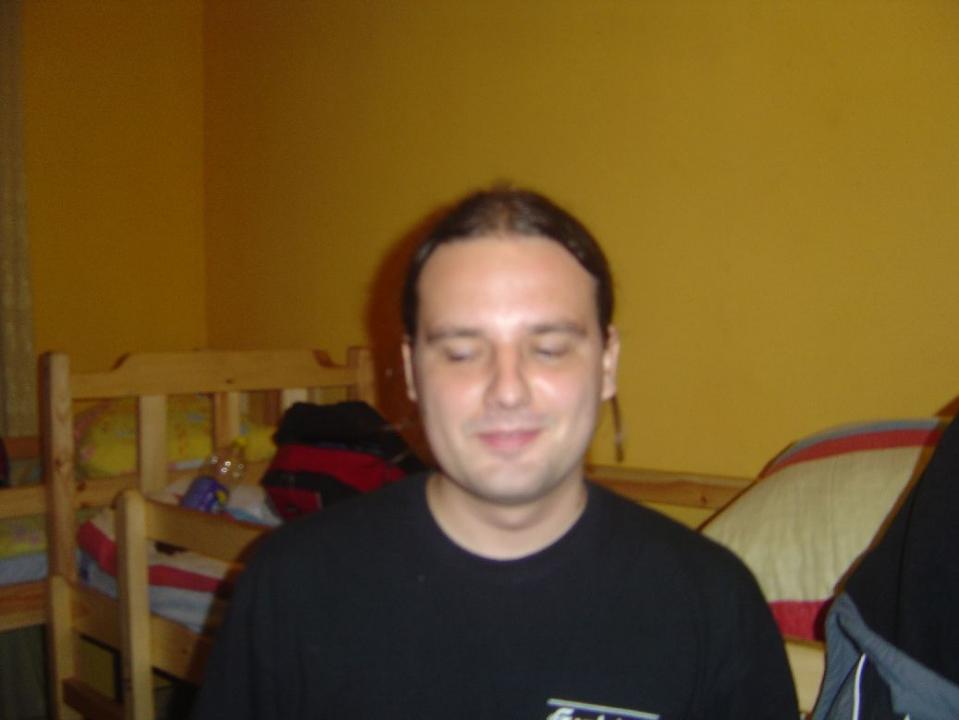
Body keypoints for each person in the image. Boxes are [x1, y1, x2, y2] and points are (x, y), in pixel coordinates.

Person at [192, 187, 798, 719]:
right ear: (411, 372)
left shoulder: (712, 604)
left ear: (607, 363)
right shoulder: (293, 584)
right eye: (461, 352)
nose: (507, 389)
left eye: (549, 348)